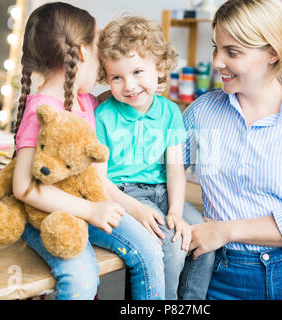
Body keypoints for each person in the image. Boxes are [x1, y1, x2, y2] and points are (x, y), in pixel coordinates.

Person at [185, 0, 282, 300]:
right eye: (216, 47)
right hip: (225, 278)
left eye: (232, 52)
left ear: (272, 53)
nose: (217, 61)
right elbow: (153, 172)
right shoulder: (201, 113)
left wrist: (226, 230)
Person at [12, 2, 165, 300]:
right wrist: (91, 211)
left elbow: (96, 177)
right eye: (99, 47)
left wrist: (144, 83)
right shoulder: (41, 110)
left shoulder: (87, 103)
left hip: (91, 206)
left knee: (149, 247)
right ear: (82, 52)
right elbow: (23, 187)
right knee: (81, 279)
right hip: (47, 215)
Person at [95, 15, 214, 300]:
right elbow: (98, 181)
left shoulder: (171, 112)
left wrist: (174, 211)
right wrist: (135, 208)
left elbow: (175, 170)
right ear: (106, 78)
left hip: (163, 192)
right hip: (125, 195)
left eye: (138, 72)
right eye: (117, 77)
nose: (129, 85)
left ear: (159, 68)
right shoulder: (102, 115)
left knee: (203, 235)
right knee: (172, 243)